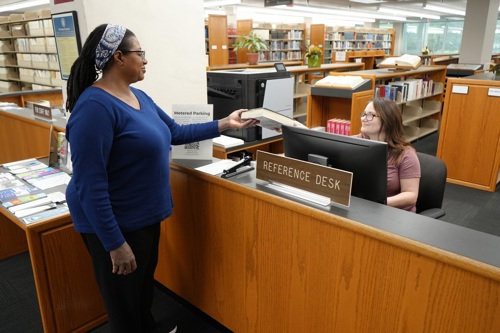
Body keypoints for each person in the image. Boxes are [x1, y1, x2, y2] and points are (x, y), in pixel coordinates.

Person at [64, 24, 257, 333]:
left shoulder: (138, 96)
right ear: (118, 57)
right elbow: (89, 186)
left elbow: (176, 132)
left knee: (140, 289)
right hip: (116, 223)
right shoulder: (94, 109)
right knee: (122, 301)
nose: (145, 59)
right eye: (140, 53)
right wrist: (115, 244)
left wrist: (225, 123)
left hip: (142, 216)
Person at [357, 97, 420, 212]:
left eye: (370, 115)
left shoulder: (406, 154)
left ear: (387, 121)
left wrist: (378, 204)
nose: (364, 119)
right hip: (362, 207)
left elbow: (411, 196)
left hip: (393, 213)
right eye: (363, 114)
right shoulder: (355, 143)